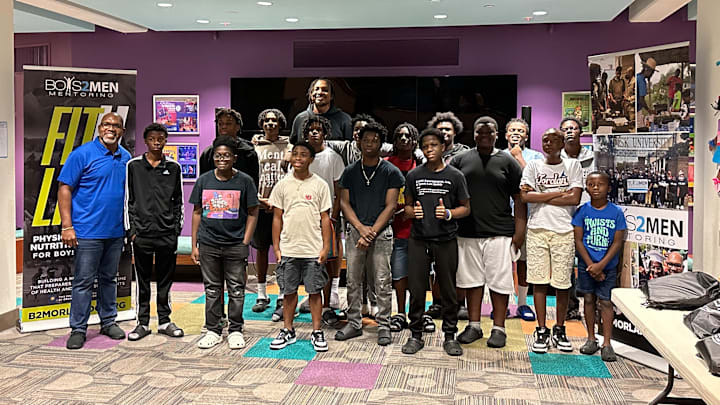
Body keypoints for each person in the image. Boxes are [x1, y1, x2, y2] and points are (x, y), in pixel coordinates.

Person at [58, 112, 132, 350]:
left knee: (109, 279)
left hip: (115, 231)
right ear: (100, 128)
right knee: (83, 281)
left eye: (116, 126)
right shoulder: (82, 154)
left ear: (122, 130)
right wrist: (67, 225)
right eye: (107, 124)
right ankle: (78, 328)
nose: (111, 129)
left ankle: (108, 321)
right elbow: (64, 189)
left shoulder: (126, 157)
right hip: (87, 231)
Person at [451, 117, 526, 349]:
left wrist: (520, 231)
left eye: (489, 132)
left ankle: (499, 328)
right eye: (480, 132)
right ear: (473, 135)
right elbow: (450, 191)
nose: (484, 136)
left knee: (500, 283)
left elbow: (519, 198)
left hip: (500, 232)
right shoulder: (460, 160)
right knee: (471, 282)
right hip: (467, 231)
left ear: (497, 134)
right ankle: (474, 326)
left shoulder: (508, 161)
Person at [401, 128, 470, 356]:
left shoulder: (455, 176)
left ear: (443, 147)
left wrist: (449, 214)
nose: (429, 149)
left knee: (448, 289)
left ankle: (449, 335)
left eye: (434, 145)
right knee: (417, 288)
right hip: (419, 239)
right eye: (425, 146)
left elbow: (465, 208)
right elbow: (407, 207)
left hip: (445, 239)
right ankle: (416, 334)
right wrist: (413, 213)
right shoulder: (413, 175)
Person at [335, 121, 404, 345]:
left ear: (381, 143)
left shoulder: (391, 171)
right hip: (356, 232)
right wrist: (361, 230)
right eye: (366, 140)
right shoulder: (350, 171)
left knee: (382, 280)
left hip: (381, 233)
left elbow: (391, 206)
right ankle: (354, 323)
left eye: (375, 140)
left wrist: (371, 232)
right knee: (353, 280)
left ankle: (384, 325)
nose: (370, 144)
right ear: (359, 142)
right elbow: (344, 203)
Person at [190, 136, 259, 350]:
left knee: (237, 289)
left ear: (234, 158)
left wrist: (245, 240)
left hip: (235, 244)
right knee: (212, 289)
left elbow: (253, 211)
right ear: (213, 158)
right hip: (209, 243)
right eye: (218, 155)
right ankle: (214, 329)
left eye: (226, 155)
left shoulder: (245, 181)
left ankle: (236, 329)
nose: (222, 159)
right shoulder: (204, 180)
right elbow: (197, 212)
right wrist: (195, 244)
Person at [520, 128, 583, 354]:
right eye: (544, 140)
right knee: (538, 281)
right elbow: (525, 196)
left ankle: (559, 328)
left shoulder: (573, 165)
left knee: (562, 283)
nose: (548, 144)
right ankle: (541, 329)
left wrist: (542, 194)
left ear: (562, 143)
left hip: (564, 230)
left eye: (553, 140)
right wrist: (557, 193)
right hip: (537, 229)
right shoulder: (534, 166)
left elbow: (574, 198)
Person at [268, 142, 333, 352]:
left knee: (315, 292)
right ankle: (288, 330)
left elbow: (326, 220)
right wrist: (277, 248)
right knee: (288, 292)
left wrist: (325, 248)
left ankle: (316, 331)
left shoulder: (320, 185)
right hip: (288, 249)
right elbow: (277, 218)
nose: (298, 158)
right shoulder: (282, 184)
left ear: (311, 159)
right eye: (294, 154)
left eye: (303, 154)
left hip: (313, 250)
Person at [125, 123, 185, 341]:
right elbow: (128, 199)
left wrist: (176, 229)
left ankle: (165, 321)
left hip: (166, 233)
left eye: (161, 138)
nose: (157, 141)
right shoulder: (133, 166)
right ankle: (142, 323)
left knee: (165, 281)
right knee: (141, 281)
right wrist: (131, 230)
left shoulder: (174, 167)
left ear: (165, 141)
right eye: (152, 138)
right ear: (146, 141)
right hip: (141, 234)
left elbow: (178, 201)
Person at [572, 171, 626, 362]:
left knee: (605, 302)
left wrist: (601, 266)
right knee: (588, 299)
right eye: (591, 184)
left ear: (608, 188)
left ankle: (607, 343)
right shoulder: (582, 211)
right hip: (587, 266)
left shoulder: (616, 213)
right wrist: (590, 265)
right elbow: (578, 240)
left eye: (600, 184)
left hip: (607, 267)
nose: (595, 188)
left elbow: (618, 242)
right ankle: (591, 338)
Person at [297, 115, 345, 326]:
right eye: (311, 130)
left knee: (329, 259)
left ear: (325, 133)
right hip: (305, 218)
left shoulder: (333, 157)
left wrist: (333, 217)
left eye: (319, 130)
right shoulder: (300, 157)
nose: (315, 133)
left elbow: (339, 191)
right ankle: (312, 294)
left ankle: (329, 299)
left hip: (328, 217)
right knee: (309, 260)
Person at [425, 111, 471, 318]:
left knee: (457, 265)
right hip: (432, 218)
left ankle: (459, 303)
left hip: (458, 215)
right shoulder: (425, 154)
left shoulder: (465, 154)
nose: (444, 132)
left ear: (455, 132)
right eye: (440, 129)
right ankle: (436, 302)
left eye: (447, 129)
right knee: (436, 265)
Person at [250, 109, 291, 318]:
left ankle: (283, 295)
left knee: (282, 251)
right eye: (266, 121)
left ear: (280, 123)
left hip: (283, 207)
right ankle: (261, 294)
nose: (270, 124)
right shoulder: (255, 147)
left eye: (274, 121)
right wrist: (260, 199)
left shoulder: (289, 146)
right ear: (261, 124)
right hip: (261, 204)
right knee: (261, 249)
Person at [505, 118, 543, 321]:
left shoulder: (536, 156)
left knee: (523, 261)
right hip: (502, 215)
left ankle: (522, 304)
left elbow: (538, 182)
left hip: (529, 216)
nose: (516, 133)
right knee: (501, 262)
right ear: (506, 135)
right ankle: (501, 304)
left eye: (520, 130)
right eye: (512, 130)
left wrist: (519, 157)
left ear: (526, 136)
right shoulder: (497, 155)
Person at [560, 117, 594, 321]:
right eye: (566, 129)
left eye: (574, 128)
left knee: (589, 259)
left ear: (581, 132)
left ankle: (592, 304)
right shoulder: (555, 158)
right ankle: (571, 307)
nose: (570, 131)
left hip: (589, 214)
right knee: (566, 262)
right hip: (565, 214)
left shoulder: (593, 156)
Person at [386, 123, 419, 333]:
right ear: (395, 141)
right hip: (393, 230)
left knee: (419, 277)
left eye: (409, 136)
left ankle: (418, 314)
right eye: (400, 136)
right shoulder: (387, 164)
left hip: (418, 231)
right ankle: (399, 313)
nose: (404, 139)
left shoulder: (421, 165)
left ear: (415, 141)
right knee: (398, 276)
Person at [199, 108, 259, 186]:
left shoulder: (248, 152)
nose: (223, 127)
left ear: (237, 127)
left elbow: (253, 183)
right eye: (220, 124)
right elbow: (203, 182)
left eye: (228, 124)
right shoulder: (208, 153)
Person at [290, 78, 352, 143]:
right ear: (311, 95)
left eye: (325, 90)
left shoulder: (344, 119)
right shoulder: (300, 118)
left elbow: (350, 147)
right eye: (316, 89)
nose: (320, 92)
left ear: (331, 96)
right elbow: (292, 144)